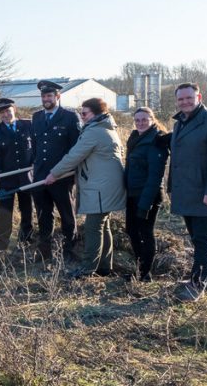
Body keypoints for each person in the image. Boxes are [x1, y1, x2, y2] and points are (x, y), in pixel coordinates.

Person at [45, 98, 126, 278]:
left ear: (96, 113)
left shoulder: (94, 132)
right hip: (106, 186)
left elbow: (74, 156)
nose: (81, 117)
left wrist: (53, 174)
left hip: (101, 187)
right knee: (102, 226)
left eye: (84, 113)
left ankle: (87, 269)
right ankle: (104, 267)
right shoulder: (106, 128)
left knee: (93, 227)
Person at [169, 83, 207, 302]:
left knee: (204, 240)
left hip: (205, 194)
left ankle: (196, 284)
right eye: (181, 99)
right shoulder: (180, 123)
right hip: (186, 192)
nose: (184, 102)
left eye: (189, 98)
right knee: (198, 239)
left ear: (199, 97)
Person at [31, 80, 81, 260]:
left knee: (67, 214)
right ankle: (45, 251)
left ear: (57, 96)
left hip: (62, 176)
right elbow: (35, 146)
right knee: (44, 215)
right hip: (40, 176)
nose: (46, 99)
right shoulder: (36, 117)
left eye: (49, 96)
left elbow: (76, 148)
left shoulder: (69, 117)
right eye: (43, 96)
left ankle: (70, 250)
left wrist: (65, 173)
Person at [123, 107, 169, 282]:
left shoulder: (156, 141)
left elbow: (155, 176)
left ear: (152, 119)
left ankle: (145, 274)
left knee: (145, 232)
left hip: (148, 195)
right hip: (133, 193)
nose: (140, 123)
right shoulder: (135, 137)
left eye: (144, 119)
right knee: (131, 231)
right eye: (137, 120)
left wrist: (146, 204)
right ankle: (139, 269)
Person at [0, 98, 35, 249]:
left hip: (27, 177)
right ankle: (2, 245)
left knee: (27, 209)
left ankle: (26, 241)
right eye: (2, 113)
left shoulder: (28, 125)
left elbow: (37, 147)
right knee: (5, 211)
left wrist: (35, 163)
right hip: (6, 178)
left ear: (14, 109)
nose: (6, 115)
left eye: (8, 111)